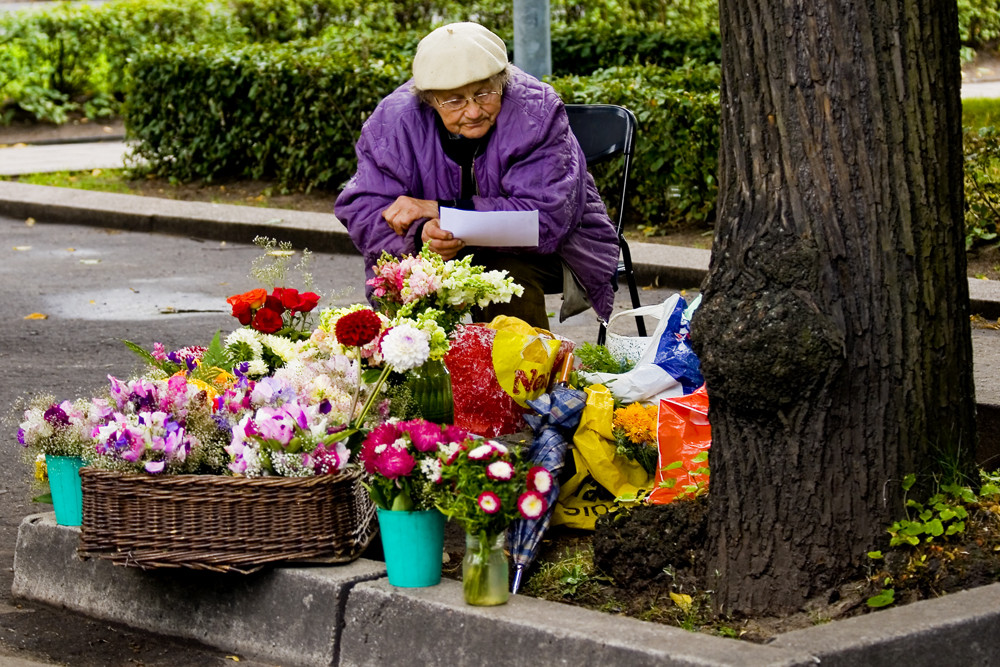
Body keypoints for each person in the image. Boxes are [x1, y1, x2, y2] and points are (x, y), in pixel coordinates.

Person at [335, 21, 620, 329]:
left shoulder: (537, 112)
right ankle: (425, 372)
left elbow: (546, 220)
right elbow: (363, 206)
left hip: (557, 249)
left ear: (503, 80)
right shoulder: (394, 120)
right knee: (413, 276)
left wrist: (439, 210)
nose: (473, 111)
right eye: (455, 100)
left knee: (496, 275)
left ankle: (523, 374)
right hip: (438, 252)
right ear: (429, 99)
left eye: (484, 93)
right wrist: (421, 236)